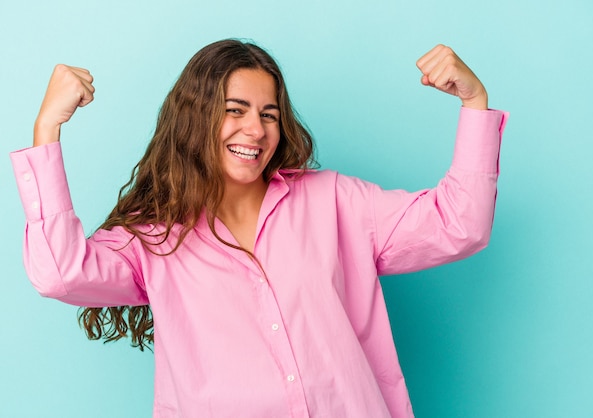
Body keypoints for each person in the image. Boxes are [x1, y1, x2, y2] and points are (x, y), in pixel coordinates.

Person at [11, 39, 508, 417]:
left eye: (269, 114)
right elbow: (61, 274)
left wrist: (474, 101)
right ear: (195, 119)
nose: (256, 129)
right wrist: (46, 130)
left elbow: (458, 224)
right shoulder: (154, 239)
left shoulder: (334, 200)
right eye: (235, 110)